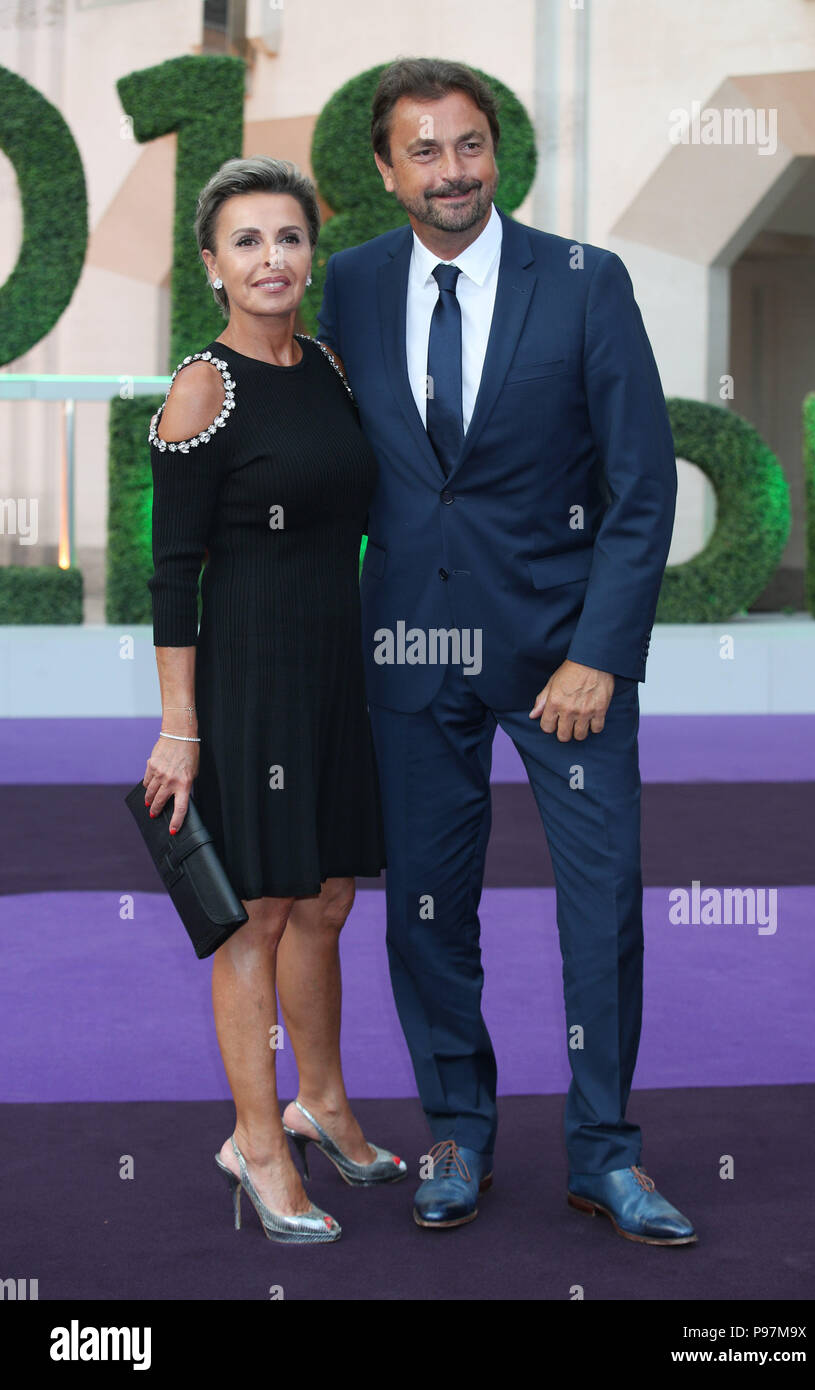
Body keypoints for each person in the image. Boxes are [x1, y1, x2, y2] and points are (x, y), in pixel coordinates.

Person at [316, 58, 696, 1243]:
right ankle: (454, 1133)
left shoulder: (586, 282)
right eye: (422, 151)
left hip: (561, 661)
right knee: (427, 910)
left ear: (498, 154)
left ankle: (603, 1150)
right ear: (385, 170)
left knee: (603, 909)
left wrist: (601, 653)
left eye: (467, 146)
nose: (450, 171)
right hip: (411, 652)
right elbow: (329, 463)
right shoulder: (351, 286)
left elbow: (639, 487)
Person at [142, 155, 406, 1246]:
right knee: (255, 910)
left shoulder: (332, 367)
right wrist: (180, 724)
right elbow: (171, 569)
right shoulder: (205, 386)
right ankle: (255, 1138)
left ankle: (322, 1101)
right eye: (246, 242)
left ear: (311, 253)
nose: (271, 259)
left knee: (330, 896)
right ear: (212, 264)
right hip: (247, 676)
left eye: (288, 237)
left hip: (334, 668)